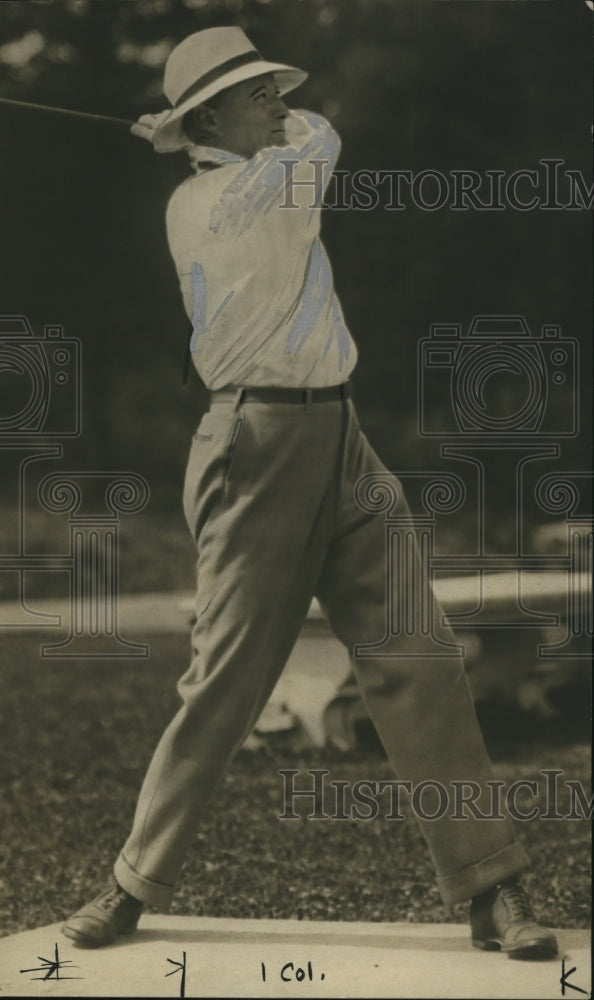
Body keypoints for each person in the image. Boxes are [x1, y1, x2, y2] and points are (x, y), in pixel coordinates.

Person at [62, 26, 557, 960]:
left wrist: (193, 127)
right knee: (226, 684)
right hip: (257, 444)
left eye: (273, 90)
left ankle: (495, 891)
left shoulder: (249, 168)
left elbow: (306, 130)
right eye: (256, 95)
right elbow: (318, 139)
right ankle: (129, 885)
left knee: (421, 655)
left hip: (343, 436)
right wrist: (189, 141)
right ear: (211, 116)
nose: (281, 104)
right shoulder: (208, 203)